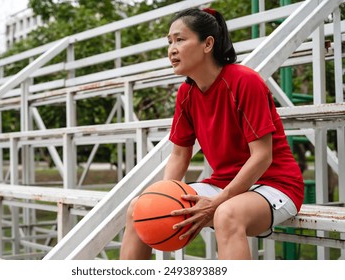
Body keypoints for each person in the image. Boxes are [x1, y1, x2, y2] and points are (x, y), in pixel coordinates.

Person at [119, 7, 304, 260]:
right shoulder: (186, 94)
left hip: (275, 185)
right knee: (138, 209)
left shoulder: (244, 81)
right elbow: (179, 155)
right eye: (169, 42)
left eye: (180, 40)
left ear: (207, 44)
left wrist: (217, 202)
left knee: (227, 214)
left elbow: (262, 156)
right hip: (222, 185)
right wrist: (160, 197)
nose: (172, 49)